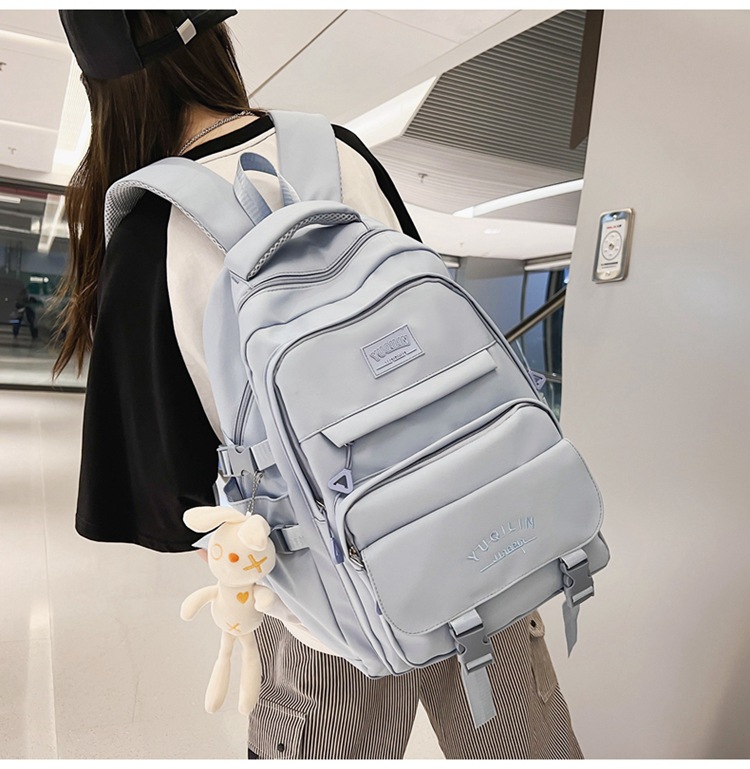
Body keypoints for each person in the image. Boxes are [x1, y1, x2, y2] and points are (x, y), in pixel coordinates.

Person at [54, 10, 584, 760]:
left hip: (328, 616)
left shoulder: (149, 229)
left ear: (103, 89)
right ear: (215, 40)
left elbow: (174, 503)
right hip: (484, 539)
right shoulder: (338, 150)